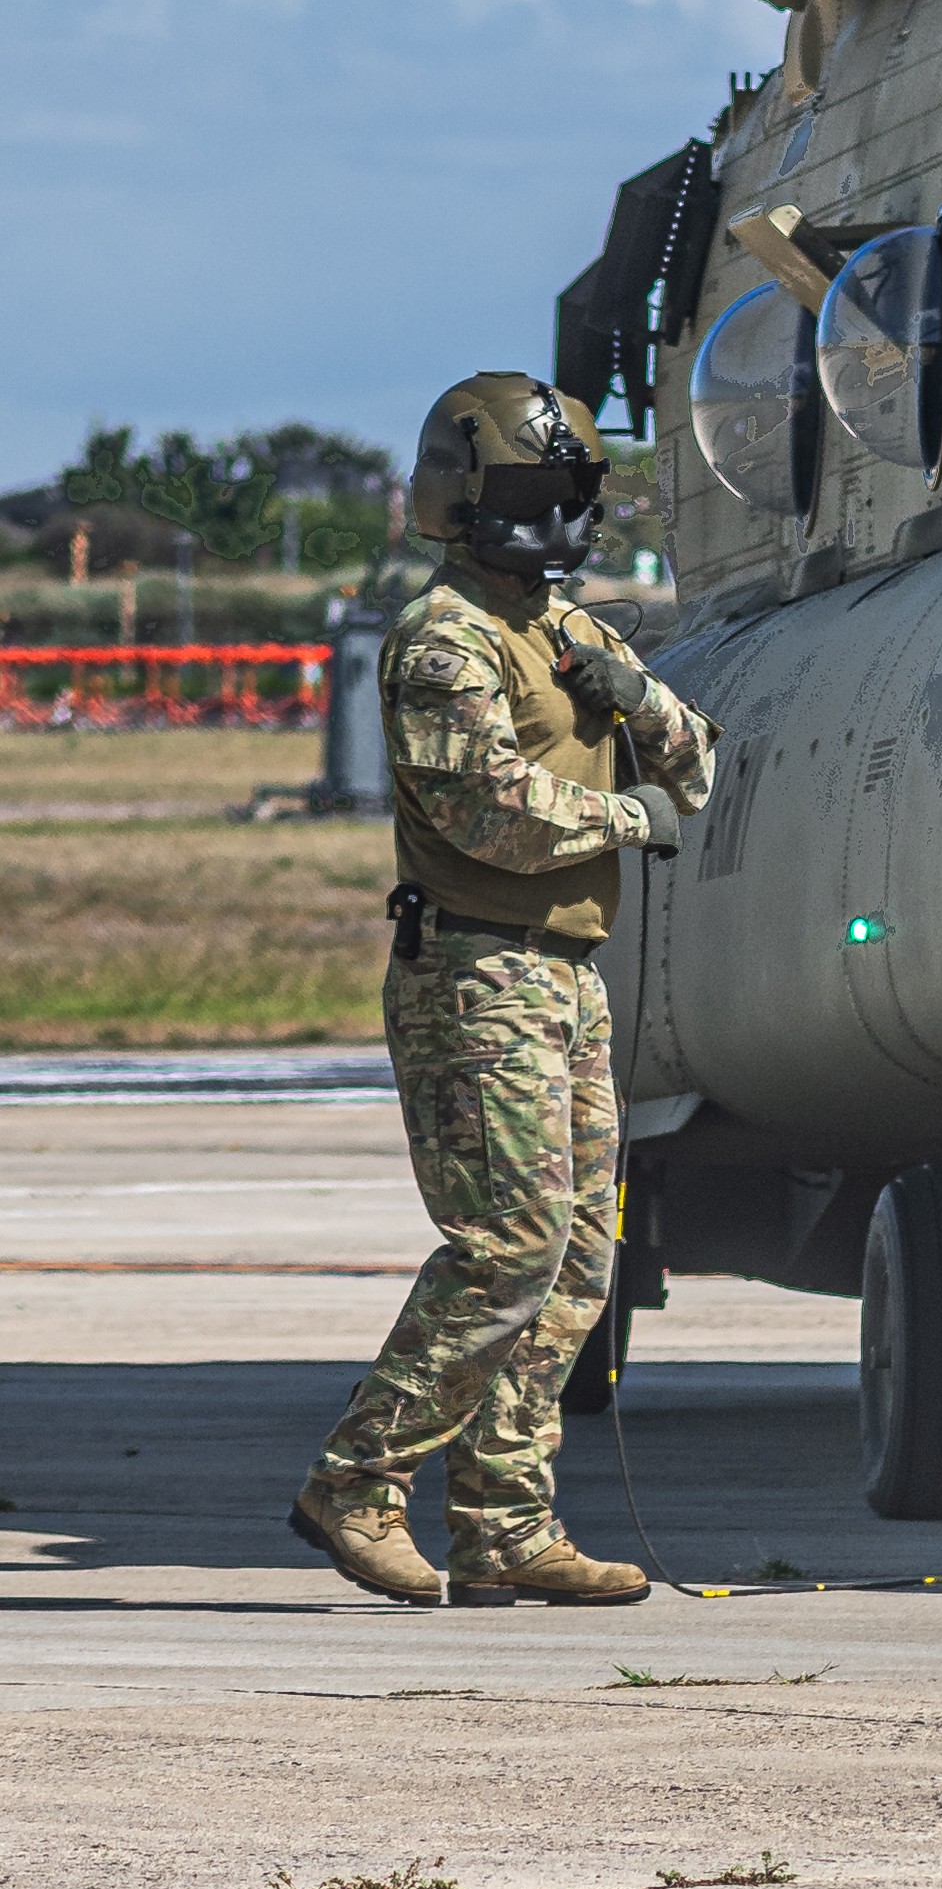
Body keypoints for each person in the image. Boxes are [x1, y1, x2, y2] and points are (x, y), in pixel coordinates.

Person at [289, 376, 716, 1609]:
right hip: (478, 971)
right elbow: (487, 816)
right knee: (508, 1246)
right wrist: (626, 814)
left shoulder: (565, 632)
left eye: (569, 495)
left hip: (563, 977)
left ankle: (504, 1522)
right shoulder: (445, 641)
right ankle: (356, 1482)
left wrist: (629, 694)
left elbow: (700, 755)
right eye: (534, 496)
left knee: (578, 1261)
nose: (558, 522)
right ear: (465, 503)